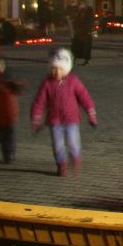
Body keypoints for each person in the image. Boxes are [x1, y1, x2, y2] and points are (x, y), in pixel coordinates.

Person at [30, 48, 97, 176]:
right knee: (58, 146)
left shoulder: (73, 81)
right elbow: (39, 101)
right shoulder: (47, 83)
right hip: (54, 120)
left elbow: (84, 96)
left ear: (66, 69)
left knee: (73, 143)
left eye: (60, 69)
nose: (56, 72)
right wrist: (36, 117)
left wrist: (90, 112)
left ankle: (75, 158)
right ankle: (61, 164)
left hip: (71, 119)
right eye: (53, 69)